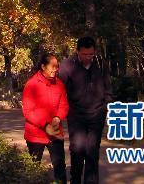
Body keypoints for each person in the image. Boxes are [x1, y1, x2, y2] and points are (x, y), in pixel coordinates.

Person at [58, 36, 112, 184]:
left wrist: (106, 106)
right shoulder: (67, 65)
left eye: (91, 54)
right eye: (85, 54)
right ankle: (75, 180)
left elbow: (108, 86)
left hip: (97, 114)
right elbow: (59, 90)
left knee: (92, 151)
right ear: (77, 52)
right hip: (76, 114)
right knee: (77, 149)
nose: (88, 57)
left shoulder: (100, 63)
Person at [22, 50, 69, 183]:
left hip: (55, 132)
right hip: (36, 134)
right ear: (43, 66)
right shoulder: (32, 84)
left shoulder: (59, 84)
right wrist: (45, 125)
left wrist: (58, 117)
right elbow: (28, 111)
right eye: (52, 67)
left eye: (57, 66)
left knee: (60, 167)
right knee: (33, 168)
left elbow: (64, 105)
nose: (56, 70)